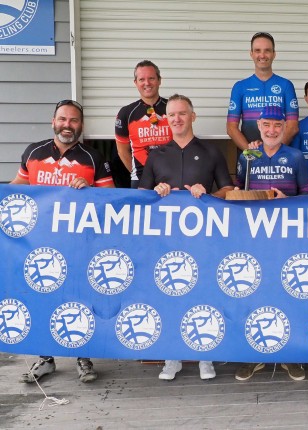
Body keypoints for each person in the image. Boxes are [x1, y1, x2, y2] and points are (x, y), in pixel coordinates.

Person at [13, 99, 114, 383]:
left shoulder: (93, 157)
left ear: (81, 125)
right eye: (62, 119)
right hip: (38, 242)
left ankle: (83, 357)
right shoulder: (33, 152)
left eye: (73, 120)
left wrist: (90, 190)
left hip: (78, 243)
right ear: (53, 121)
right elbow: (17, 187)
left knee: (78, 299)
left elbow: (110, 198)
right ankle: (46, 359)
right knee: (41, 298)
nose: (67, 125)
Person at [139, 94, 234, 380]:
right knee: (170, 295)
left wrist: (208, 194)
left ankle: (206, 356)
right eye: (171, 115)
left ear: (193, 116)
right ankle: (173, 357)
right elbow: (141, 196)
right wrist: (156, 192)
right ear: (166, 120)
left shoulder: (211, 152)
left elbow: (228, 189)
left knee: (204, 294)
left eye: (182, 113)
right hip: (167, 240)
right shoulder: (156, 154)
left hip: (203, 238)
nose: (177, 119)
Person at [234, 105, 308, 382]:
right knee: (254, 293)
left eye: (277, 125)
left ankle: (290, 355)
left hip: (287, 236)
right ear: (258, 126)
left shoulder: (296, 156)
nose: (272, 130)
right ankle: (253, 355)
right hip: (255, 237)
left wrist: (287, 201)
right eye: (266, 124)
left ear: (285, 127)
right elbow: (239, 191)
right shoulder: (248, 155)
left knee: (288, 293)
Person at [227, 32, 299, 151]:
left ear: (274, 54)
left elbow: (292, 127)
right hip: (249, 155)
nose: (262, 55)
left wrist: (272, 152)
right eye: (257, 50)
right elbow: (231, 128)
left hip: (280, 156)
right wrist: (252, 153)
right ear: (251, 54)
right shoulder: (240, 87)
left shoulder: (286, 85)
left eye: (267, 50)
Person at [115, 60, 173, 188]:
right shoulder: (126, 113)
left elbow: (184, 143)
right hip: (140, 180)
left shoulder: (173, 108)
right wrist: (138, 173)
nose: (147, 83)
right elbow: (122, 151)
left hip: (172, 178)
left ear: (159, 80)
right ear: (135, 83)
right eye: (141, 79)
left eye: (151, 78)